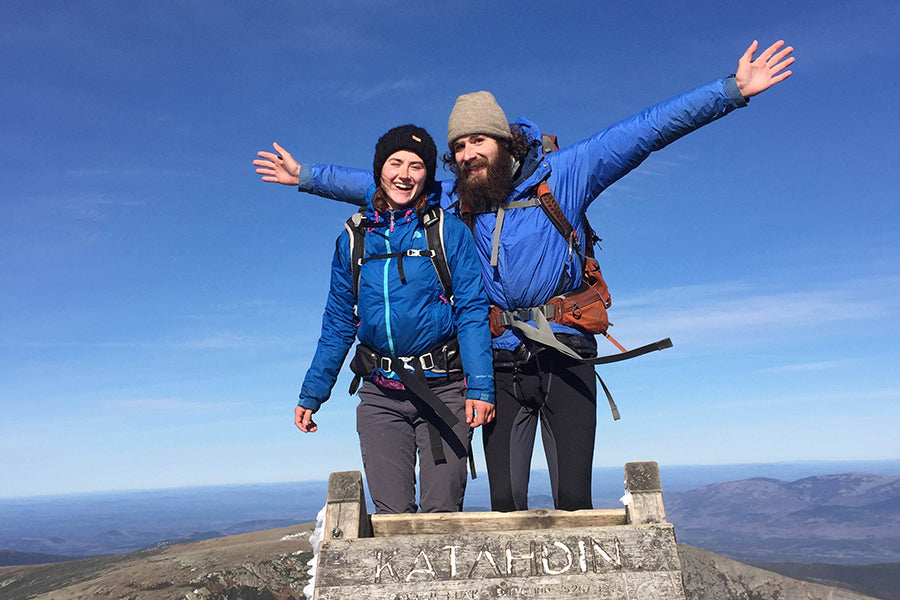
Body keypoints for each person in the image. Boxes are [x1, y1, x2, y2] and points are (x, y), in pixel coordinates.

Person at [256, 40, 794, 512]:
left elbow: (647, 130)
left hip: (566, 348)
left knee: (573, 501)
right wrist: (307, 177)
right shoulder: (457, 194)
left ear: (504, 140)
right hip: (497, 357)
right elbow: (387, 186)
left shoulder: (567, 173)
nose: (467, 155)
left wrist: (730, 91)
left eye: (477, 142)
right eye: (458, 148)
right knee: (506, 503)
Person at [294, 125, 495, 514]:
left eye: (417, 166)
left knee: (441, 519)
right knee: (391, 520)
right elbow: (338, 321)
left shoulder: (447, 231)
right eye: (395, 163)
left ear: (427, 175)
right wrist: (312, 393)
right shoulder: (353, 239)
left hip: (444, 391)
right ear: (379, 170)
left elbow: (472, 310)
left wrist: (481, 388)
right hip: (380, 396)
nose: (405, 174)